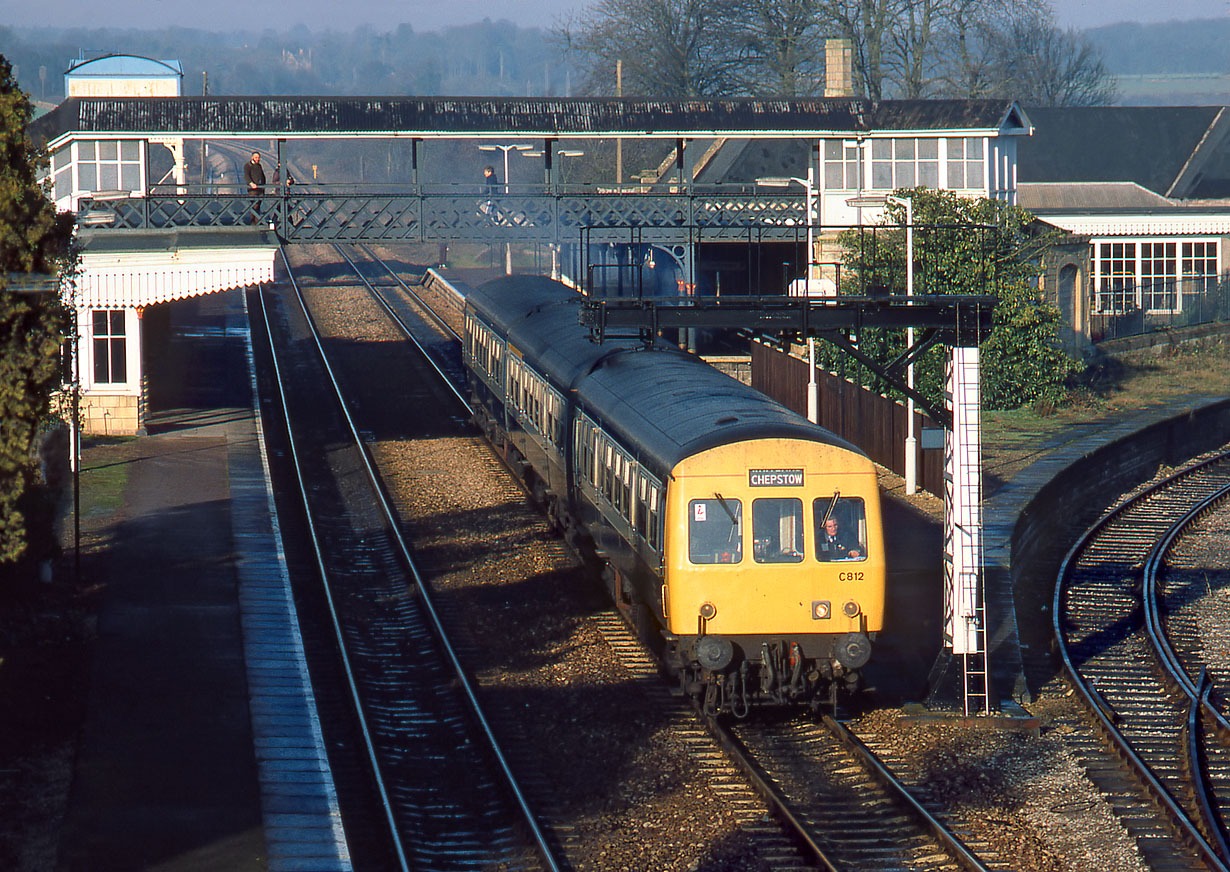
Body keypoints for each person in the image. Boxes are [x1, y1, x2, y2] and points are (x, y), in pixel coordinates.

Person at [244, 151, 266, 225]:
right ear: (252, 157)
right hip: (253, 190)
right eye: (256, 157)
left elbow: (262, 176)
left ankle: (257, 220)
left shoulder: (259, 166)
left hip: (260, 189)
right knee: (254, 205)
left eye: (258, 158)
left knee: (258, 205)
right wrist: (251, 184)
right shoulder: (248, 165)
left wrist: (263, 186)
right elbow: (246, 176)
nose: (257, 159)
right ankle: (254, 222)